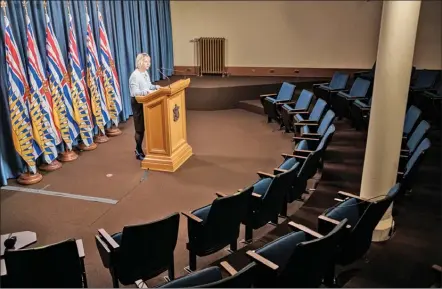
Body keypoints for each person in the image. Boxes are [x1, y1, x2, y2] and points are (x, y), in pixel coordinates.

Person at [129, 53, 160, 160]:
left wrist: (155, 87)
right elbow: (134, 92)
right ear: (140, 62)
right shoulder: (135, 75)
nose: (149, 64)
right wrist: (146, 91)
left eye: (149, 62)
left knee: (147, 127)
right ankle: (138, 150)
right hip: (138, 103)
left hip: (147, 102)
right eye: (146, 62)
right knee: (140, 128)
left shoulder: (145, 73)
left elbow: (149, 86)